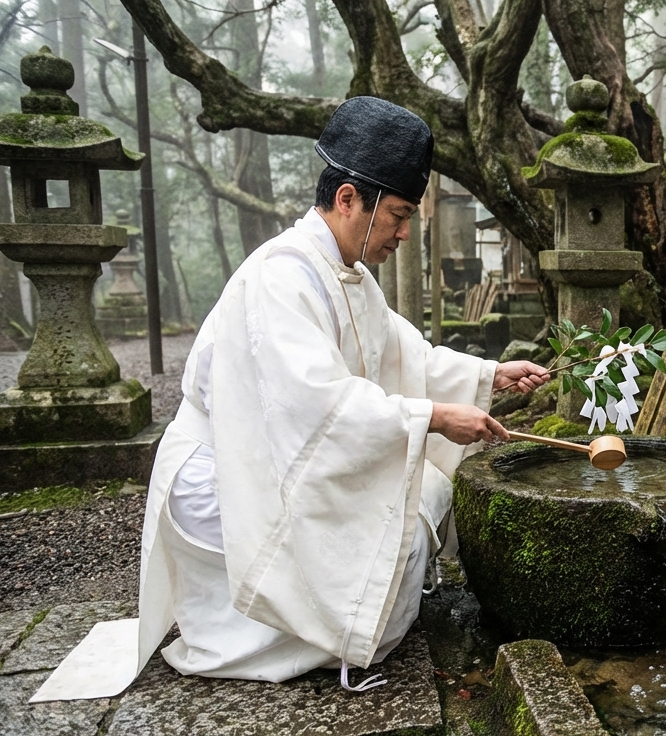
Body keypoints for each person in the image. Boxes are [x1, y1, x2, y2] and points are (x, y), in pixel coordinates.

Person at [35, 97, 548, 699]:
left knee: (423, 501)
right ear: (350, 198)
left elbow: (404, 358)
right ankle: (305, 632)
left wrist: (491, 374)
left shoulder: (348, 273)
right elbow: (317, 406)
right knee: (393, 538)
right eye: (400, 216)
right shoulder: (281, 276)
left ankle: (342, 625)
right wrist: (433, 417)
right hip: (228, 474)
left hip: (278, 457)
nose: (405, 234)